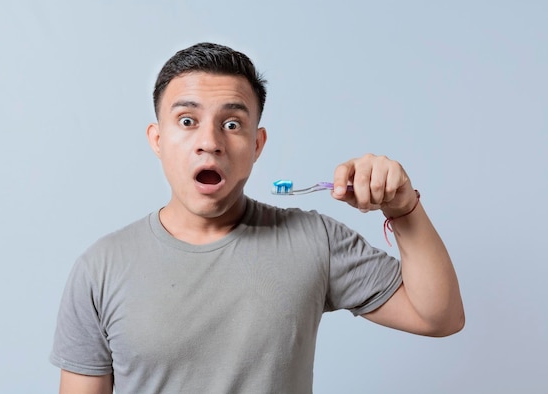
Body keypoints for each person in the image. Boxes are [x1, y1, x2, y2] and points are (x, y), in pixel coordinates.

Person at [50, 42, 464, 393]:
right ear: (157, 139)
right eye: (187, 121)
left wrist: (403, 207)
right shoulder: (99, 268)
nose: (209, 142)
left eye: (232, 123)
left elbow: (439, 316)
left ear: (256, 144)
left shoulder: (314, 239)